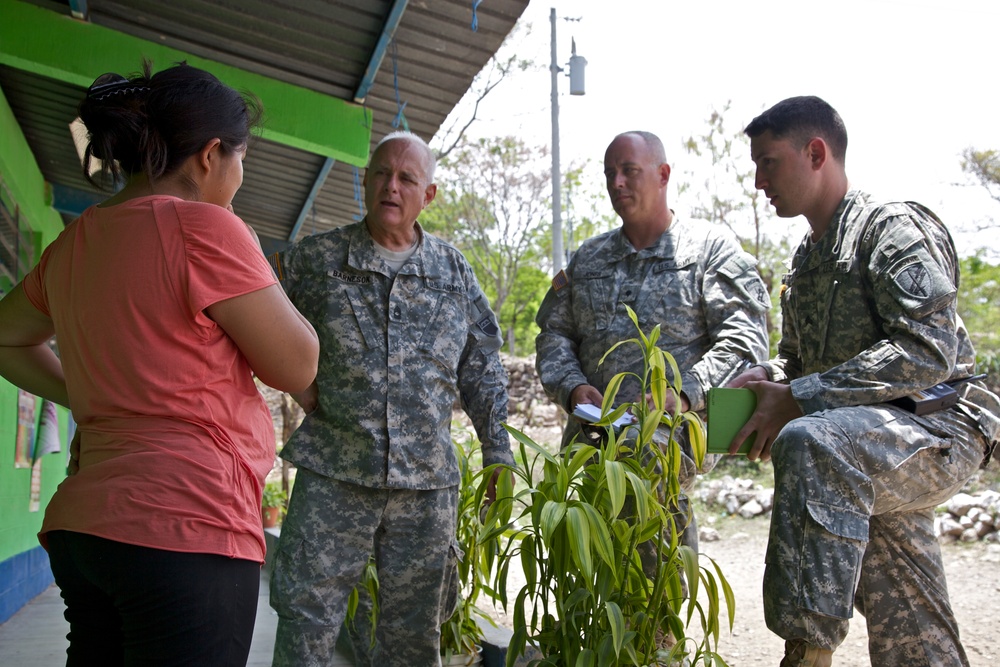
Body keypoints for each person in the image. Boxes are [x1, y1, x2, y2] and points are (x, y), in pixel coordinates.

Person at [0, 63, 320, 666]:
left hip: (87, 528)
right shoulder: (208, 227)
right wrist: (247, 246)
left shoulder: (76, 241)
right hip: (187, 524)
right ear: (210, 155)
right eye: (240, 160)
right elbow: (298, 364)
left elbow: (6, 340)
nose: (240, 178)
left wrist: (97, 396)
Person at [730, 95, 1000, 667]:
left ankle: (806, 655)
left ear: (816, 152)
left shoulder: (891, 228)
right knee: (912, 622)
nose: (758, 181)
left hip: (940, 427)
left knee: (810, 442)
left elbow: (929, 352)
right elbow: (802, 366)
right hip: (868, 442)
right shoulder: (805, 264)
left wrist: (798, 399)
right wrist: (772, 379)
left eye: (768, 162)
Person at [268, 130, 514, 667]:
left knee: (413, 639)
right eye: (381, 173)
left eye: (407, 178)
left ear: (428, 195)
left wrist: (499, 449)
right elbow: (255, 324)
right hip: (334, 474)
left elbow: (483, 369)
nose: (391, 186)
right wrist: (300, 385)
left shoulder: (453, 274)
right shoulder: (318, 260)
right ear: (364, 180)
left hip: (425, 488)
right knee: (306, 626)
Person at [535, 130, 771, 552]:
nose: (617, 183)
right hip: (593, 429)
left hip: (673, 428)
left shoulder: (708, 251)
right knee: (582, 551)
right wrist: (572, 387)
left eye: (629, 171)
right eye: (610, 174)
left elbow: (744, 341)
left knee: (649, 527)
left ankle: (658, 614)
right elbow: (554, 334)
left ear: (663, 175)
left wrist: (680, 395)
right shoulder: (589, 259)